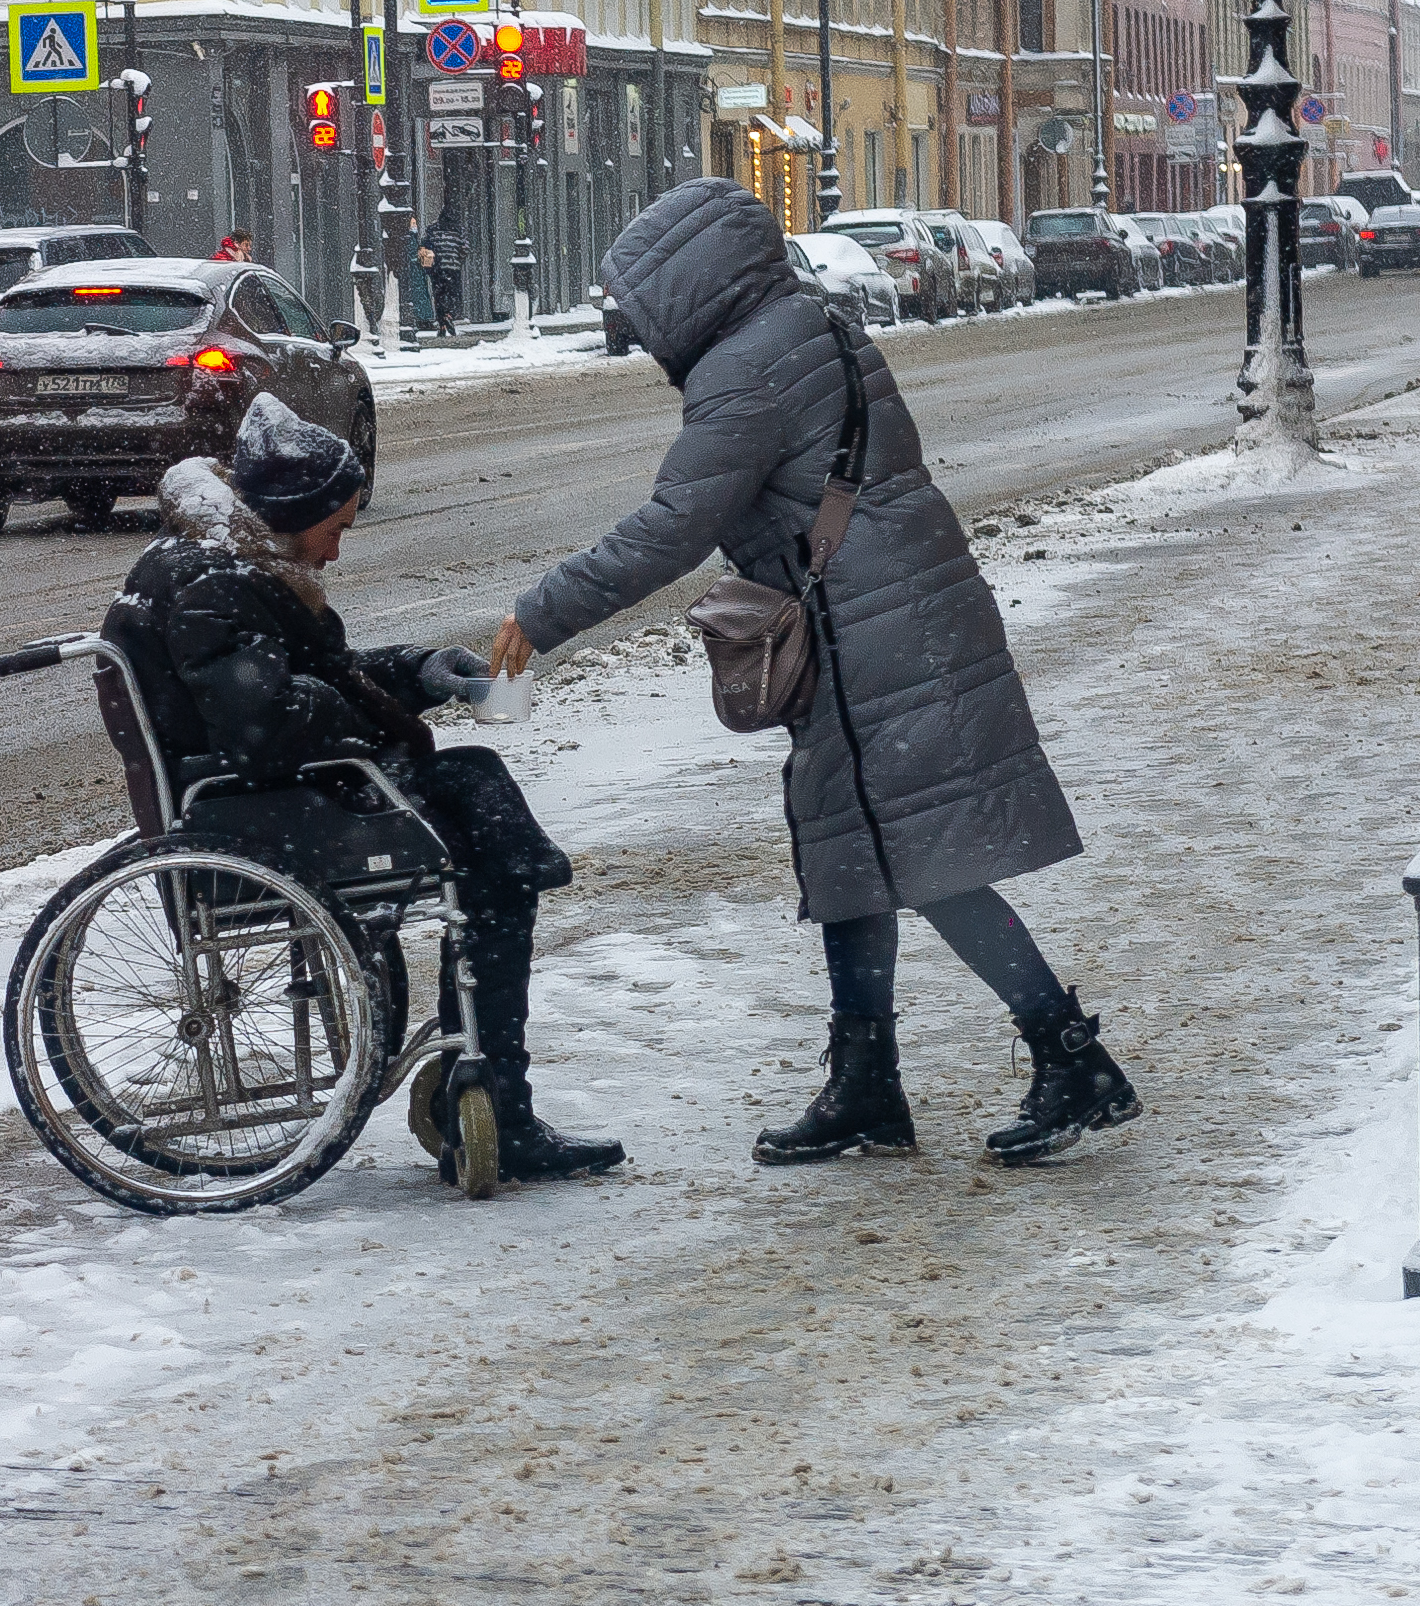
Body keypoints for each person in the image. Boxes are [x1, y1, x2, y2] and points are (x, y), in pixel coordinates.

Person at [486, 178, 1140, 1168]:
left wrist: (542, 613)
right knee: (857, 857)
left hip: (871, 633)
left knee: (926, 861)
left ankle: (1069, 1055)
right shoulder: (806, 324)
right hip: (888, 617)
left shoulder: (745, 371)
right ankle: (865, 1084)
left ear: (685, 288)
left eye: (639, 299)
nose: (634, 321)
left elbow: (672, 526)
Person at [101, 393, 625, 1182]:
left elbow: (299, 684)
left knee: (480, 800)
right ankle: (490, 1097)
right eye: (336, 529)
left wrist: (415, 672)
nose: (338, 552)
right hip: (255, 815)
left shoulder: (224, 564)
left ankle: (479, 1083)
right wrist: (377, 705)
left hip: (262, 799)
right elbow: (269, 721)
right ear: (293, 511)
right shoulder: (215, 582)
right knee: (492, 841)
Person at [419, 211, 465, 337]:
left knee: (438, 295)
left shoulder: (432, 231)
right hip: (453, 267)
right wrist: (457, 258)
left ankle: (442, 324)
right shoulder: (457, 231)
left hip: (437, 268)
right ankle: (448, 314)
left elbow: (424, 246)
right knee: (452, 294)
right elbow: (465, 248)